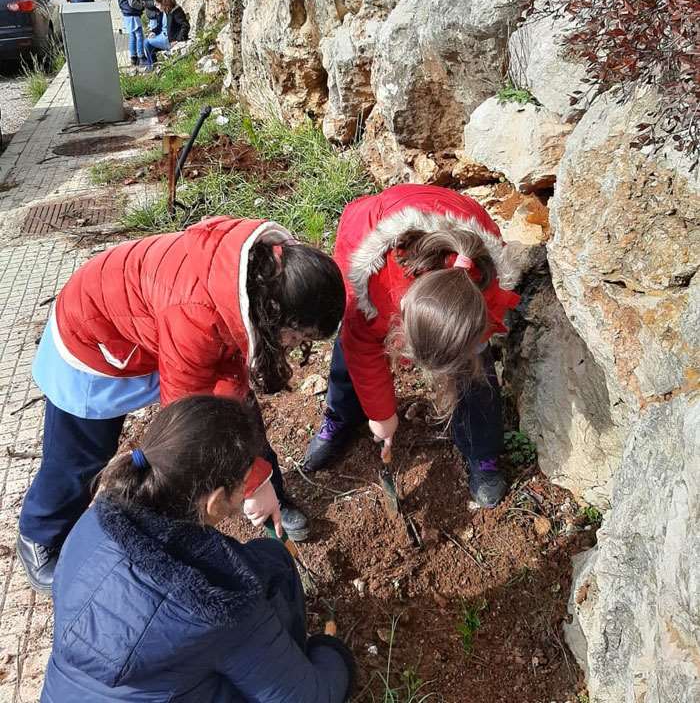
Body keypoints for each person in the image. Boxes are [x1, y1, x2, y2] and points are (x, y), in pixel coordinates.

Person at [16, 215, 346, 594]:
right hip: (94, 336)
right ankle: (40, 535)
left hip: (161, 328)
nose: (292, 346)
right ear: (275, 315)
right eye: (296, 336)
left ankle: (273, 498)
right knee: (81, 457)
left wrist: (258, 481)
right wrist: (249, 480)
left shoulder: (252, 278)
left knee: (242, 415)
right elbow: (191, 422)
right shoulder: (197, 316)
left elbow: (226, 393)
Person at [41, 395, 355, 702]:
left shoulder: (93, 522)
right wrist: (330, 651)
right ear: (216, 500)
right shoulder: (220, 603)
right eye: (246, 483)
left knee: (271, 559)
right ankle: (289, 654)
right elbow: (312, 696)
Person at [303, 185, 521, 508]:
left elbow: (470, 343)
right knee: (353, 345)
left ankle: (482, 450)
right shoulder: (369, 278)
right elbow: (361, 346)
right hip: (374, 233)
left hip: (458, 236)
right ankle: (341, 416)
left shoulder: (485, 285)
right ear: (402, 308)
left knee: (474, 368)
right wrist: (381, 415)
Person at [144, 0, 190, 69]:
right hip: (163, 36)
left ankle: (151, 66)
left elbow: (185, 25)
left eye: (158, 4)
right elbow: (160, 25)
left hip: (169, 39)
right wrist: (153, 32)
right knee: (148, 41)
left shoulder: (176, 11)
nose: (157, 7)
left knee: (146, 42)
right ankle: (153, 65)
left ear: (164, 3)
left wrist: (178, 40)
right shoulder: (164, 11)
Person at [116, 0, 146, 67]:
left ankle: (134, 58)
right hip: (132, 15)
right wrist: (141, 6)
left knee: (132, 36)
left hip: (127, 15)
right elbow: (133, 2)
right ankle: (141, 57)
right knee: (139, 36)